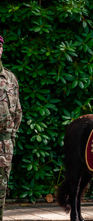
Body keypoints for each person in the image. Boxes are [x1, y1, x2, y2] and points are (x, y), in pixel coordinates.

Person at [0, 35, 22, 219]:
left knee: (1, 188)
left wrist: (11, 134)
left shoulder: (10, 78)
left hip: (4, 144)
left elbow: (17, 110)